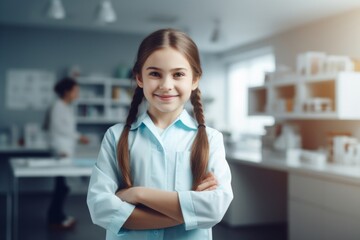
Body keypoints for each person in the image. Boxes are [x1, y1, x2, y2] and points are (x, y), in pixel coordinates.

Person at [87, 29, 233, 239]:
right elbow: (101, 209)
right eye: (155, 73)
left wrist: (138, 194)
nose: (166, 85)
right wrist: (190, 209)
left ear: (194, 79)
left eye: (178, 74)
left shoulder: (211, 139)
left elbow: (215, 208)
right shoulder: (115, 136)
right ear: (139, 78)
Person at [46, 77, 89, 230]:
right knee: (61, 187)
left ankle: (57, 216)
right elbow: (60, 129)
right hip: (60, 150)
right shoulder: (58, 106)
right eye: (75, 90)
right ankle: (55, 218)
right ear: (66, 92)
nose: (77, 93)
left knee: (62, 186)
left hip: (65, 149)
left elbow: (67, 130)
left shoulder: (65, 106)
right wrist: (79, 137)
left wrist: (77, 137)